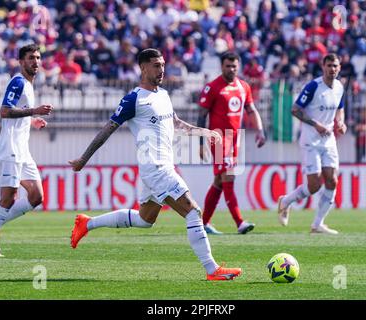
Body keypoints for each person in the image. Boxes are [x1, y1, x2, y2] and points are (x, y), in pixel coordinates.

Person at [68, 48, 241, 281]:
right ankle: (212, 269)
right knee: (193, 212)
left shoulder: (163, 95)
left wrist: (203, 132)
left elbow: (176, 123)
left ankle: (87, 224)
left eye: (162, 64)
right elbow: (107, 130)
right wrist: (83, 159)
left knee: (144, 220)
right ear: (143, 68)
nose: (161, 70)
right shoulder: (134, 99)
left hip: (159, 168)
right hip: (156, 169)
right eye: (156, 65)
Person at [0, 44, 54, 257]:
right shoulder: (19, 81)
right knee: (9, 197)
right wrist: (34, 111)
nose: (36, 62)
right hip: (11, 148)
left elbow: (18, 113)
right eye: (31, 58)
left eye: (38, 58)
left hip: (23, 150)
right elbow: (5, 111)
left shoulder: (29, 86)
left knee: (36, 195)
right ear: (21, 61)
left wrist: (32, 120)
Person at [277, 53, 347, 235]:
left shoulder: (339, 87)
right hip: (310, 140)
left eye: (335, 66)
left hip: (329, 140)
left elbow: (340, 109)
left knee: (332, 180)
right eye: (329, 65)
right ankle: (285, 201)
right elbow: (295, 109)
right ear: (323, 67)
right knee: (314, 184)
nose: (332, 69)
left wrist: (341, 122)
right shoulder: (314, 86)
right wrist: (316, 124)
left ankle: (317, 224)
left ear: (339, 68)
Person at [197, 51, 266, 235]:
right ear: (222, 66)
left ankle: (203, 223)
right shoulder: (212, 88)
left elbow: (251, 109)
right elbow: (201, 116)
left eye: (234, 66)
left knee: (219, 181)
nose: (231, 69)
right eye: (228, 66)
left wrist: (260, 130)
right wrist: (201, 143)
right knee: (229, 177)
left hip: (236, 140)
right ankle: (239, 222)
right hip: (219, 139)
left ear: (239, 66)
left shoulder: (243, 87)